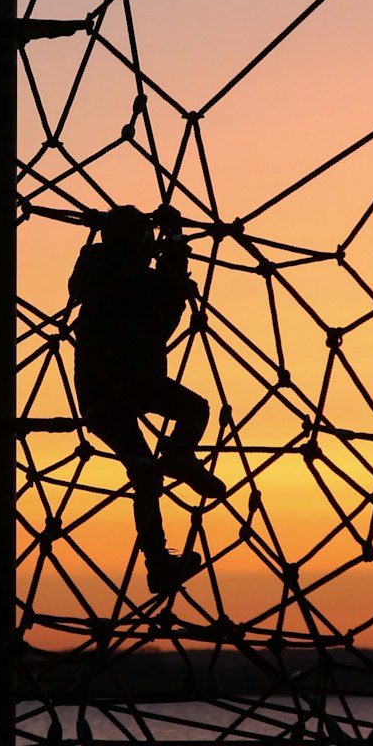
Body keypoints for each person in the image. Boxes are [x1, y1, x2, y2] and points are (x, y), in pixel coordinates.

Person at [68, 204, 226, 593]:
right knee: (194, 409)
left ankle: (158, 564)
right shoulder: (134, 279)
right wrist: (172, 240)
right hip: (131, 382)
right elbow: (170, 294)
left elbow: (160, 291)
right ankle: (179, 456)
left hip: (98, 395)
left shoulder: (97, 270)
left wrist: (161, 242)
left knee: (145, 475)